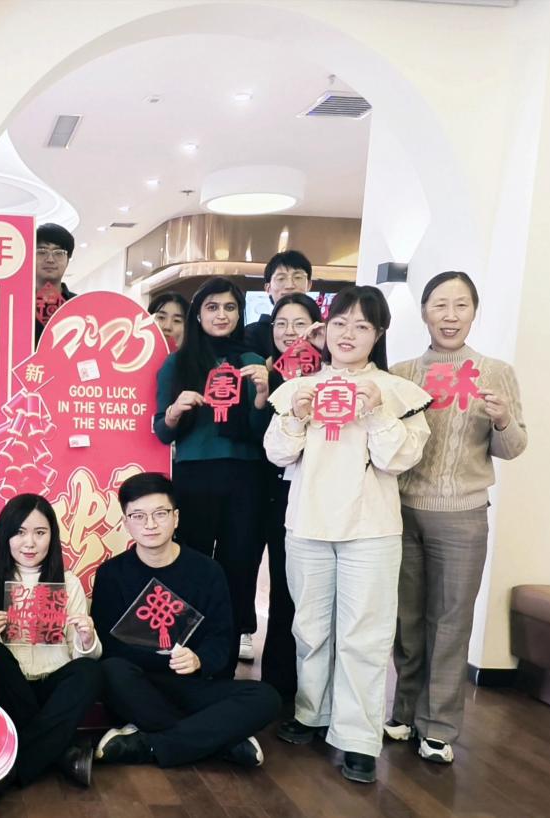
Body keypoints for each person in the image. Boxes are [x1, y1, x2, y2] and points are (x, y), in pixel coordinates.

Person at [264, 285, 431, 784]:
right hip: (307, 524)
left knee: (365, 635)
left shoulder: (397, 391)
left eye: (362, 325)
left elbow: (398, 459)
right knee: (310, 628)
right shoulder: (299, 388)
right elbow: (277, 453)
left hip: (371, 530)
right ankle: (311, 712)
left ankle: (358, 738)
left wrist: (376, 410)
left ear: (378, 334)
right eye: (339, 323)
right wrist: (297, 416)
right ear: (325, 329)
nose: (348, 334)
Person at [387, 271, 527, 764]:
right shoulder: (401, 373)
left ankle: (439, 726)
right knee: (406, 618)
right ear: (424, 311)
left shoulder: (495, 371)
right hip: (402, 510)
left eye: (461, 305)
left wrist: (503, 419)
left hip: (463, 515)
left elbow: (513, 447)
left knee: (450, 620)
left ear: (474, 312)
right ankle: (403, 711)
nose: (450, 316)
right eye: (440, 305)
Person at [92, 473, 279, 770]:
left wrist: (198, 659)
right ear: (126, 523)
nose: (150, 524)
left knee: (266, 697)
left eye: (160, 514)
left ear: (176, 518)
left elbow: (221, 638)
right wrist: (154, 660)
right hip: (140, 685)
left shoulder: (208, 571)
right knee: (110, 671)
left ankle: (150, 744)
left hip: (193, 685)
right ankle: (221, 740)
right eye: (138, 516)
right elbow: (108, 644)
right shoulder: (112, 574)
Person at [153, 277, 271, 669]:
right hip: (194, 477)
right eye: (212, 307)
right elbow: (161, 430)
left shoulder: (253, 362)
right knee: (192, 562)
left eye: (230, 307)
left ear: (240, 314)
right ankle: (187, 651)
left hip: (245, 478)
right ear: (198, 315)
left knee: (240, 565)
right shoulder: (178, 362)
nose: (221, 315)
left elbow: (262, 435)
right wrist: (175, 410)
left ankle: (227, 653)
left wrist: (261, 397)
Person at [0, 495, 102, 788]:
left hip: (52, 689)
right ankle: (60, 753)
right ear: (5, 535)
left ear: (52, 537)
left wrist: (86, 637)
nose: (29, 543)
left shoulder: (68, 582)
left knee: (89, 671)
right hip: (10, 691)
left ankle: (14, 767)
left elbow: (83, 656)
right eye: (19, 532)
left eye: (40, 533)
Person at [258, 293, 324, 702]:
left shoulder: (330, 379)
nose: (290, 332)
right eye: (281, 324)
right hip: (265, 491)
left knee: (300, 592)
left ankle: (298, 687)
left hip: (310, 494)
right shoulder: (265, 373)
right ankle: (272, 683)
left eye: (300, 324)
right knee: (273, 586)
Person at [244, 251, 314, 359]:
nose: (290, 286)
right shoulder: (252, 334)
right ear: (268, 288)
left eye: (298, 277)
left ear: (309, 285)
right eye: (281, 278)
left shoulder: (321, 330)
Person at [35, 222, 77, 342]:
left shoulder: (79, 304)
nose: (50, 259)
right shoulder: (12, 304)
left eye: (59, 253)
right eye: (42, 251)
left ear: (67, 260)